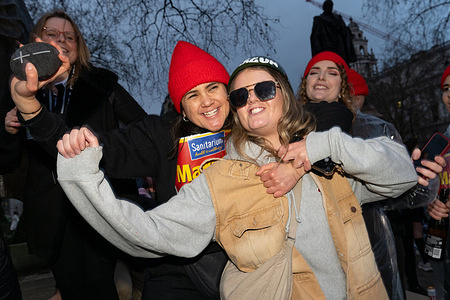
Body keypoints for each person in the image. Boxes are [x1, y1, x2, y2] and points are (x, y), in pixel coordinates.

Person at [53, 55, 420, 298]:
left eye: (263, 89)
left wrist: (320, 149)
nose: (251, 100)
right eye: (241, 96)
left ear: (286, 96)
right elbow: (150, 234)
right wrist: (80, 170)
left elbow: (400, 174)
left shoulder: (327, 156)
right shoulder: (223, 176)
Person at [10, 39, 235, 299]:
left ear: (228, 91)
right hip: (177, 268)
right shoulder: (160, 135)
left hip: (242, 262)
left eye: (213, 87)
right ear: (181, 107)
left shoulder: (250, 130)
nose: (206, 101)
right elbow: (84, 147)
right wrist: (28, 105)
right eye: (192, 95)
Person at [2, 10, 148, 300]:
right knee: (69, 287)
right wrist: (8, 131)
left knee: (99, 284)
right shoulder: (19, 92)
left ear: (78, 46)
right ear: (37, 40)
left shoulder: (102, 85)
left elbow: (142, 127)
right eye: (52, 34)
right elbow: (8, 161)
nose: (61, 41)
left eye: (69, 36)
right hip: (51, 212)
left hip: (99, 200)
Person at [426, 64, 450, 300]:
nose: (449, 94)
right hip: (442, 242)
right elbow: (432, 189)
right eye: (446, 88)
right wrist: (430, 203)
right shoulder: (441, 142)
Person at [310, 0, 357, 65]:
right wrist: (318, 48)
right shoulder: (319, 20)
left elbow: (344, 30)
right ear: (324, 7)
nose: (329, 8)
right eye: (328, 6)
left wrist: (342, 29)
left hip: (339, 46)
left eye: (331, 6)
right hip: (326, 47)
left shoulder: (338, 18)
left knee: (342, 64)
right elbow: (315, 36)